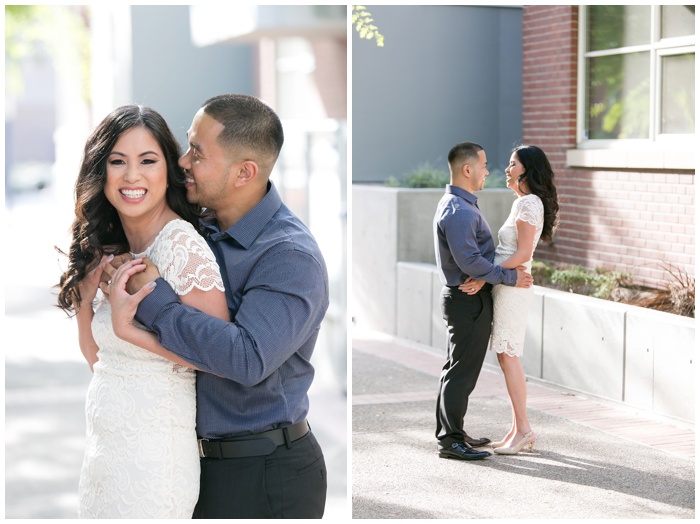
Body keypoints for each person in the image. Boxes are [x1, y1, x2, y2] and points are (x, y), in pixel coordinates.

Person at [103, 94, 330, 518]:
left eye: (198, 153)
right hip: (189, 466)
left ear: (245, 172)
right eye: (188, 146)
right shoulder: (196, 229)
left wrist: (153, 299)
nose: (183, 161)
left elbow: (247, 359)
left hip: (263, 473)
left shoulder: (289, 256)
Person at [56, 104, 229, 518]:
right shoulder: (114, 250)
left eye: (147, 161)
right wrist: (84, 303)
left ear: (167, 171)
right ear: (101, 172)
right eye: (118, 162)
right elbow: (100, 361)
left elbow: (219, 358)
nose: (132, 176)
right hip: (104, 456)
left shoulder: (181, 247)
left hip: (154, 466)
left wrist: (128, 328)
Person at [433, 141, 533, 461]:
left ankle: (454, 433)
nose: (488, 171)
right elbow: (472, 263)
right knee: (461, 373)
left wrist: (486, 274)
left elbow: (476, 260)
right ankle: (450, 442)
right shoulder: (459, 210)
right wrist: (510, 277)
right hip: (466, 301)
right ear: (467, 169)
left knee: (457, 370)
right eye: (484, 165)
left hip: (467, 299)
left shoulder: (461, 205)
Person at [461, 144, 559, 454]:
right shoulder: (523, 202)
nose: (507, 168)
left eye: (513, 163)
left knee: (509, 355)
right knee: (506, 357)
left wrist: (485, 274)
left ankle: (525, 429)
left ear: (528, 170)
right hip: (508, 286)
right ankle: (517, 428)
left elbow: (522, 254)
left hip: (514, 289)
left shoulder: (529, 203)